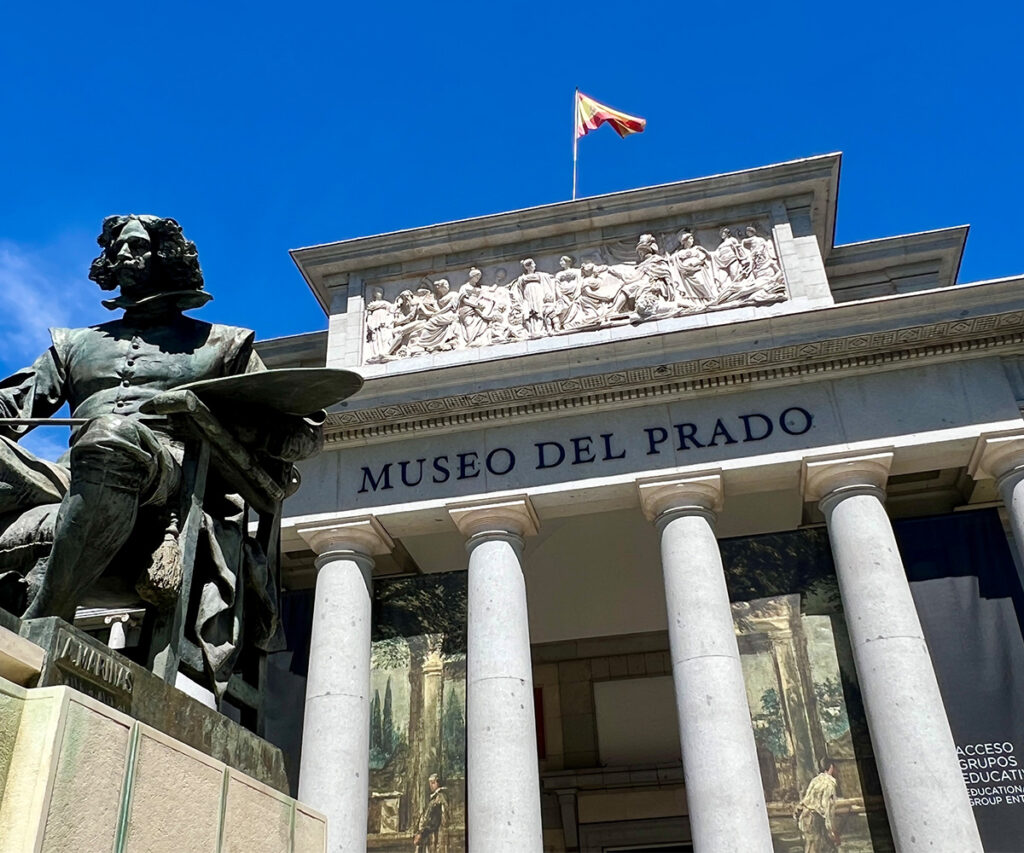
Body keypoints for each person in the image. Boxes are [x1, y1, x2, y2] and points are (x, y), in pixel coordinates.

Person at [0, 215, 320, 694]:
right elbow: (12, 405)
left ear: (167, 257)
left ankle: (44, 621)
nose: (124, 256)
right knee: (98, 442)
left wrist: (234, 423)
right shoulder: (75, 345)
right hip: (69, 475)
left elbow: (305, 433)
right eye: (117, 249)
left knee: (109, 437)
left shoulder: (223, 344)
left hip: (168, 479)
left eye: (138, 247)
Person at [794, 756, 841, 853]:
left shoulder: (815, 780)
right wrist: (832, 830)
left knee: (810, 844)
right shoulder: (829, 784)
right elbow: (825, 809)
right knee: (816, 846)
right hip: (816, 819)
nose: (837, 771)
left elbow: (806, 799)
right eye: (836, 768)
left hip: (806, 817)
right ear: (831, 767)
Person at [413, 773, 448, 852]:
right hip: (430, 833)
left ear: (438, 783)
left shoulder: (439, 798)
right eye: (430, 783)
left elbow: (435, 819)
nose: (431, 786)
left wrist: (422, 833)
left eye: (433, 783)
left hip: (435, 833)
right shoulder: (434, 798)